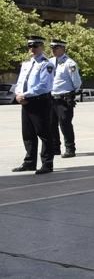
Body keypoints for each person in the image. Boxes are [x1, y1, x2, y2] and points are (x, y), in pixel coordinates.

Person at [12, 35, 55, 174]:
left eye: (35, 46)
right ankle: (30, 162)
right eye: (30, 46)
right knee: (28, 133)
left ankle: (47, 164)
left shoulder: (46, 64)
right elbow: (19, 83)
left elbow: (44, 85)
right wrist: (18, 95)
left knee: (44, 133)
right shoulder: (26, 64)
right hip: (26, 101)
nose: (32, 49)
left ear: (42, 47)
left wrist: (25, 95)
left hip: (39, 101)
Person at [49, 38, 82, 158]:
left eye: (56, 48)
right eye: (52, 48)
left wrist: (70, 94)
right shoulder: (50, 62)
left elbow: (77, 82)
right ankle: (55, 148)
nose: (53, 50)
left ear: (63, 48)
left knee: (65, 124)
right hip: (52, 97)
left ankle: (70, 148)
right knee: (51, 124)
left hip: (64, 98)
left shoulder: (70, 63)